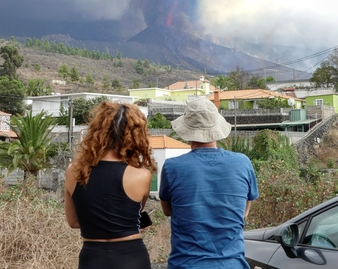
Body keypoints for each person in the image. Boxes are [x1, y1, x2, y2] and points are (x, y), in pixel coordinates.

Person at [159, 96, 258, 269]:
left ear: (187, 131)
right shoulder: (243, 162)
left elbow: (167, 211)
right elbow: (244, 211)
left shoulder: (173, 167)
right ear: (217, 127)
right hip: (233, 264)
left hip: (187, 264)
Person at [65, 101, 157, 269]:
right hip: (131, 257)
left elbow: (73, 221)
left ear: (97, 132)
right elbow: (134, 216)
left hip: (92, 258)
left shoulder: (74, 171)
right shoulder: (141, 175)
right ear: (136, 137)